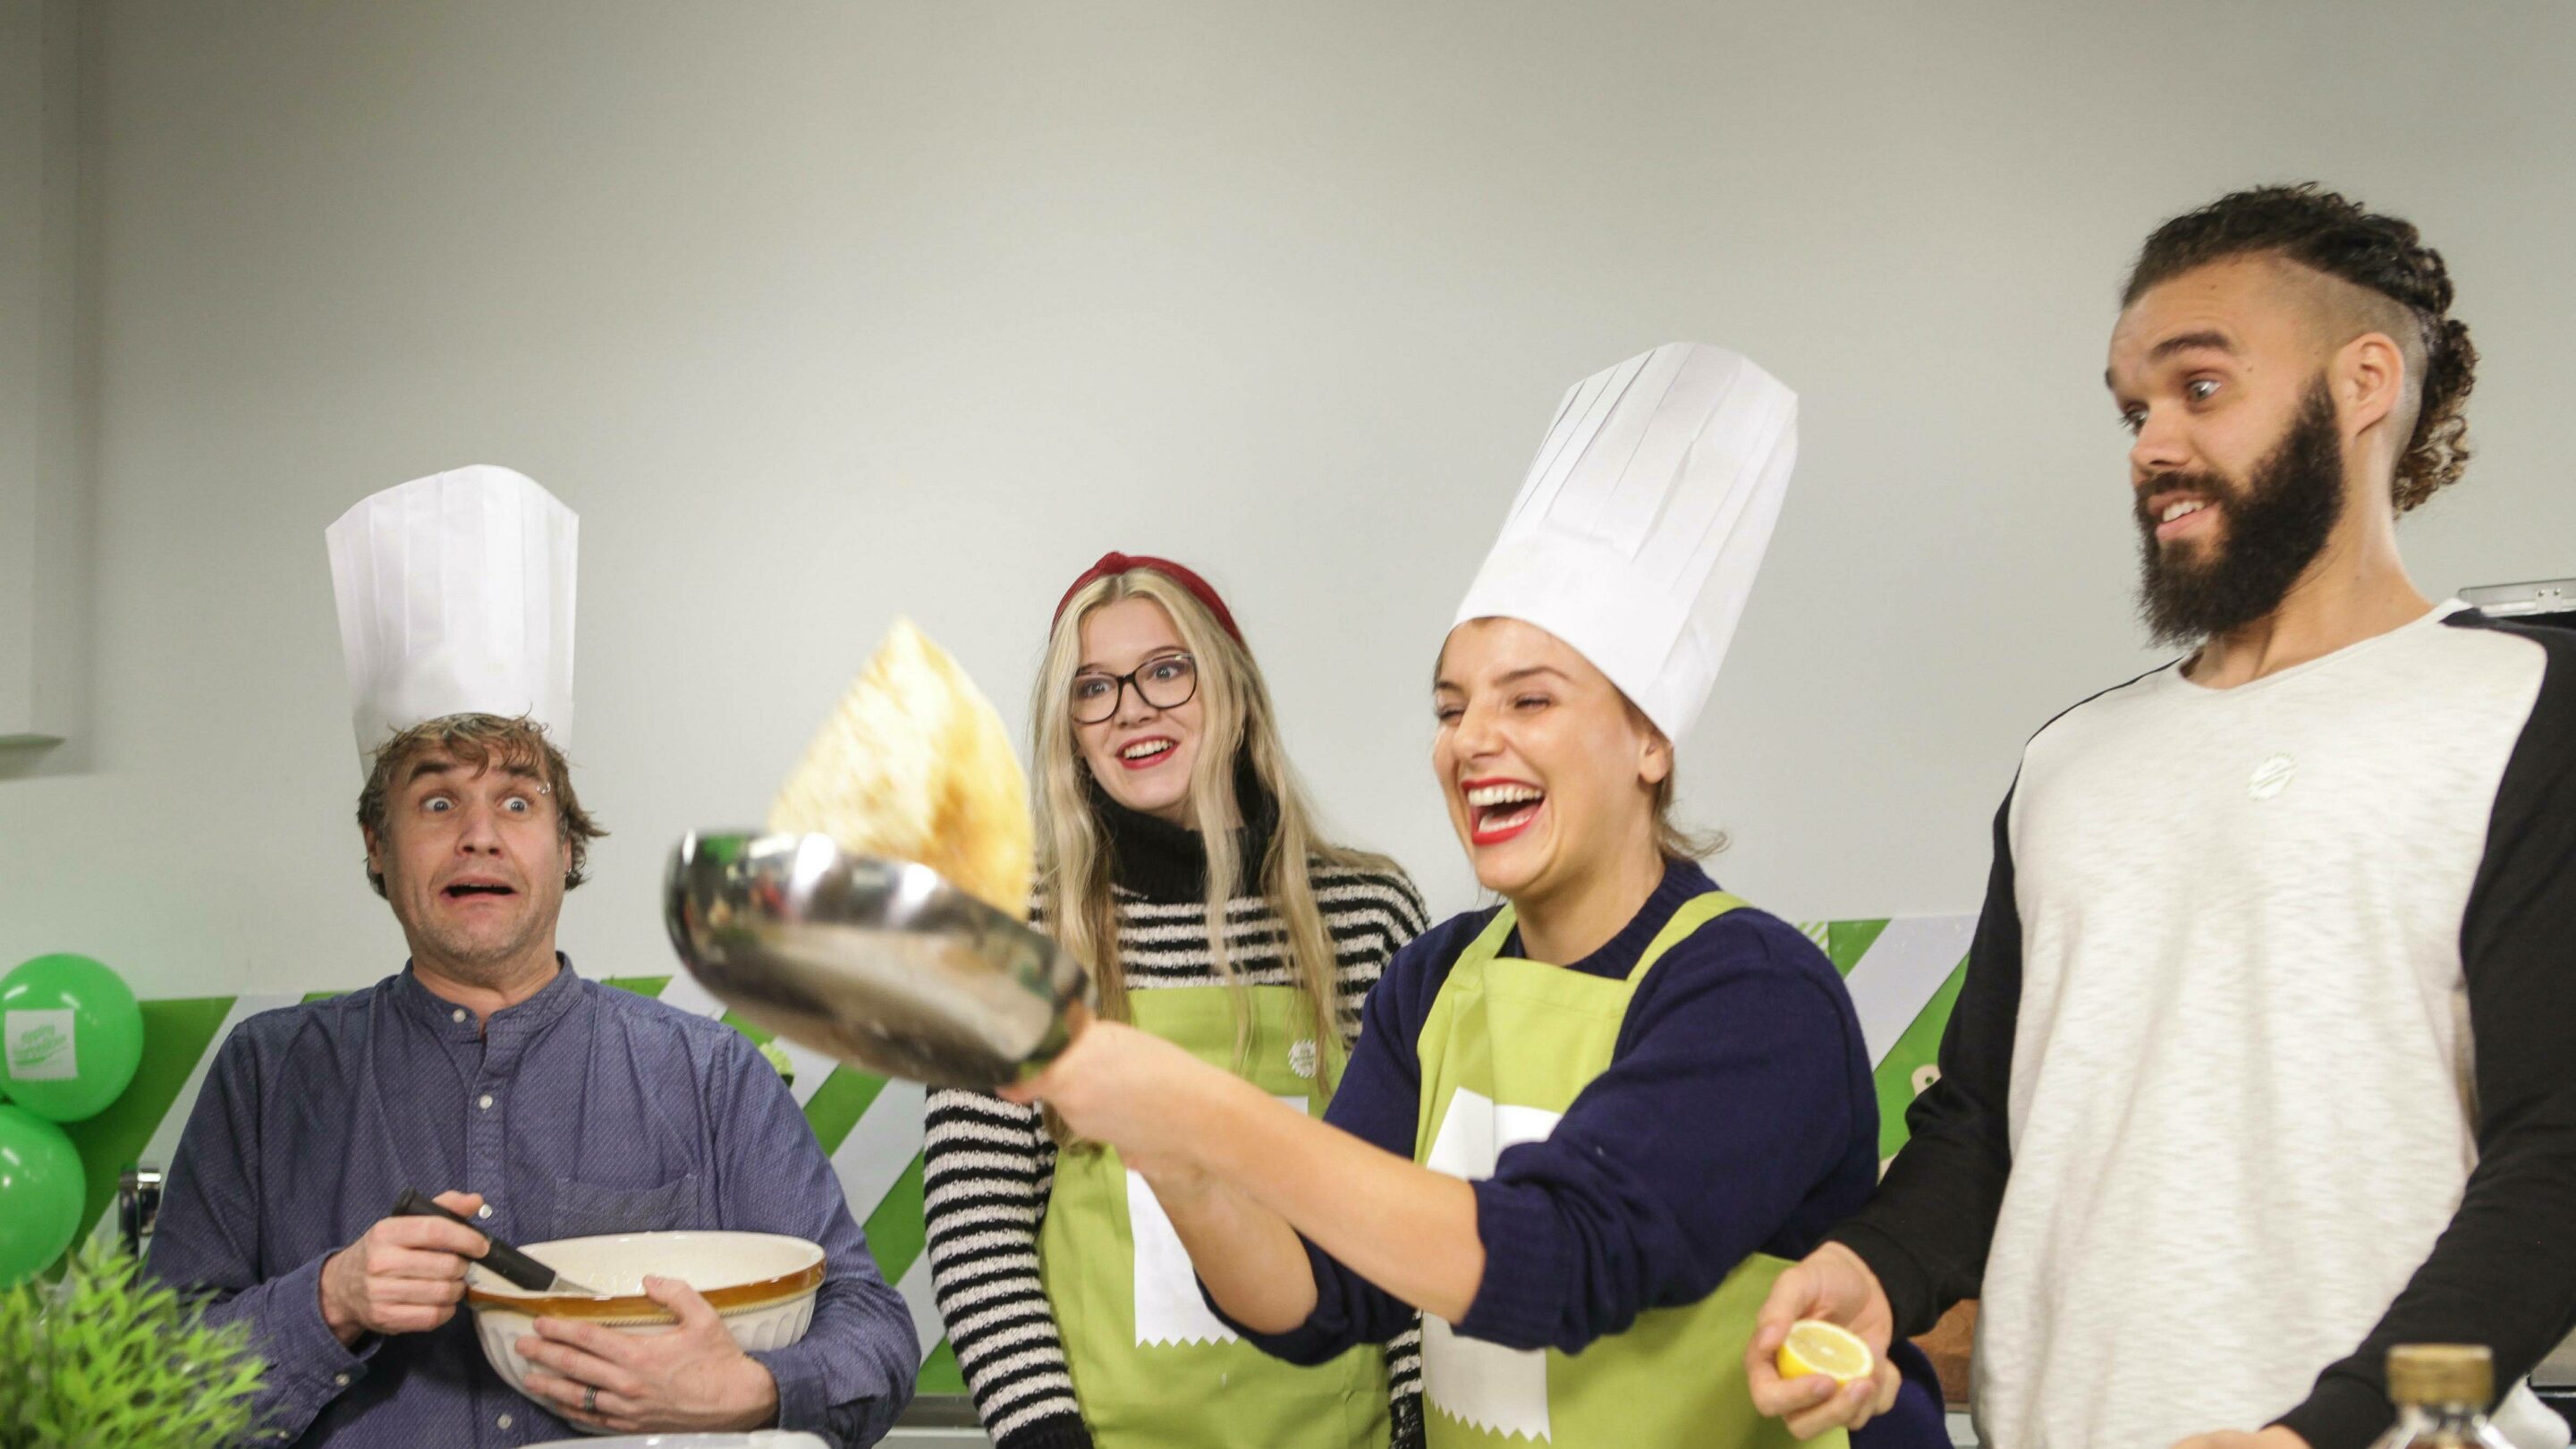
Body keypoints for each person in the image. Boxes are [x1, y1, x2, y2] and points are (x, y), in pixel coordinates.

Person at [1747, 185, 2576, 1449]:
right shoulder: (2071, 762)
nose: (2148, 445)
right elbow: (1985, 1126)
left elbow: (2561, 1166)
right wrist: (1876, 1270)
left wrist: (2330, 1433)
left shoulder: (2528, 710)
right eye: (2134, 409)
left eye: (2199, 389)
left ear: (2363, 384)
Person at [1006, 346, 1947, 1448]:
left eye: (1529, 700)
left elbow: (1570, 1257)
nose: (1472, 742)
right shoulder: (1436, 978)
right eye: (1451, 707)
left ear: (1650, 739)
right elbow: (1318, 1297)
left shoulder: (1752, 993)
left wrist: (1211, 1115)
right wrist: (1171, 1155)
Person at [148, 466, 919, 1446]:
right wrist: (332, 1299)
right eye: (436, 801)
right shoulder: (268, 1080)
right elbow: (155, 1393)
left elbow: (875, 1332)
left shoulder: (706, 1075)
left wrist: (750, 1390)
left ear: (567, 845)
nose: (479, 835)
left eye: (517, 801)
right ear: (379, 846)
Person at [923, 551, 1433, 1449]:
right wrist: (1045, 1436)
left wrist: (1414, 1417)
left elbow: (1417, 1207)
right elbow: (978, 1224)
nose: (1132, 711)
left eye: (1166, 670)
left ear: (1233, 690)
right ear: (1069, 728)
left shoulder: (1366, 912)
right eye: (1094, 689)